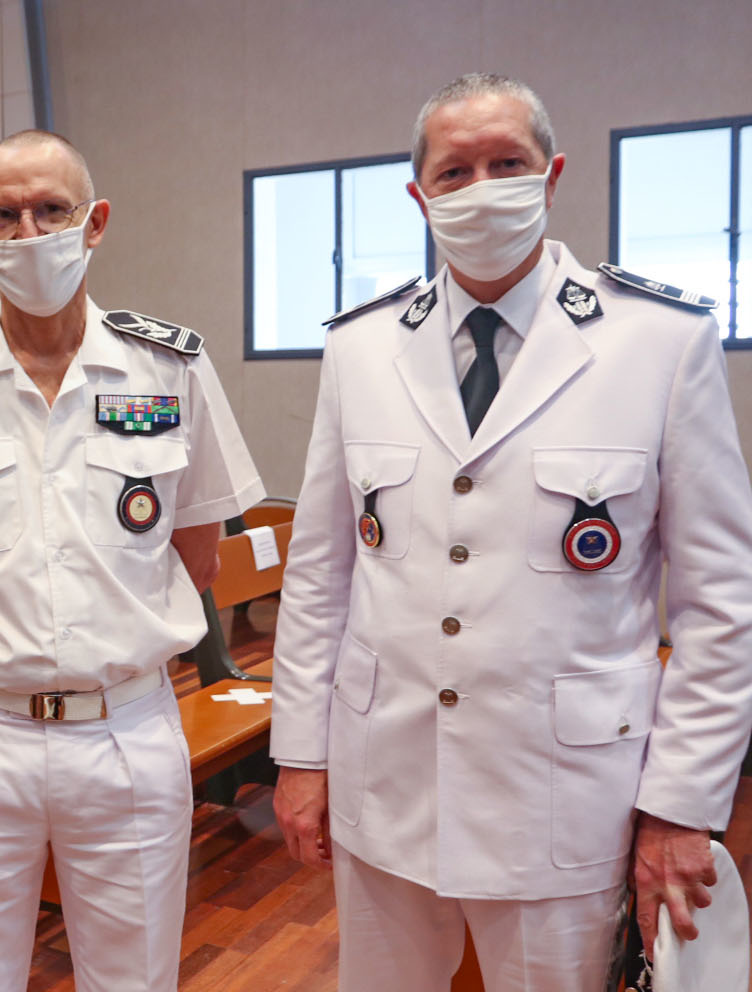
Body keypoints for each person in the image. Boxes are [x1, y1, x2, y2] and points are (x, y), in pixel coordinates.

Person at [270, 73, 752, 992]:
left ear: (551, 174)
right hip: (388, 788)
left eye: (507, 163)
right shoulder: (361, 347)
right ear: (419, 196)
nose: (481, 187)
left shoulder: (658, 340)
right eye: (454, 172)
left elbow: (720, 603)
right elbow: (321, 574)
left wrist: (682, 808)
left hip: (563, 800)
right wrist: (300, 758)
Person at [0, 130, 265, 992]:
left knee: (134, 978)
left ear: (96, 222)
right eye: (5, 216)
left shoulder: (167, 368)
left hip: (126, 728)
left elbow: (198, 553)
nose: (29, 231)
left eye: (52, 210)